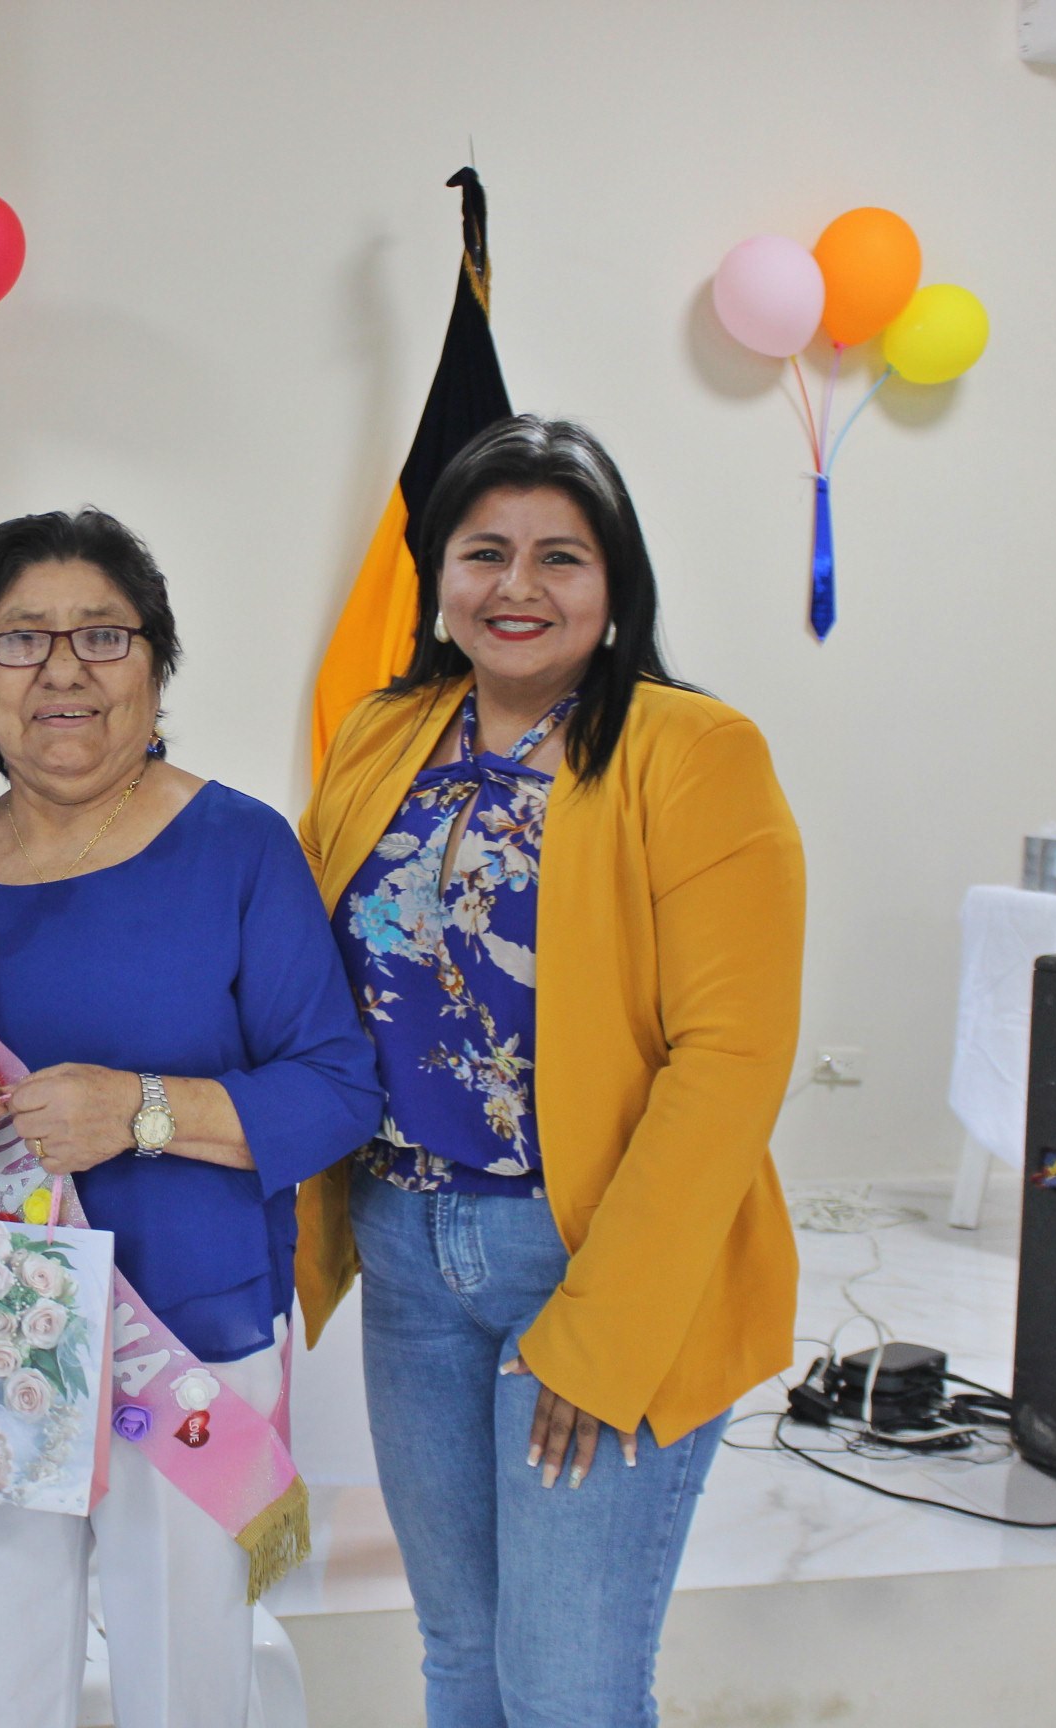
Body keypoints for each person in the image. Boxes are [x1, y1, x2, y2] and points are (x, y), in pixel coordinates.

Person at [297, 415, 806, 1727]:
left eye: (559, 557)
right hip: (407, 1247)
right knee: (461, 1658)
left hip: (588, 1252)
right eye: (485, 552)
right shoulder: (382, 733)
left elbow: (729, 1060)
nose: (516, 587)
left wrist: (608, 1329)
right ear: (439, 575)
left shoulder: (692, 752)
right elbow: (299, 965)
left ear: (616, 584)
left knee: (568, 1688)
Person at [0, 509, 380, 1728]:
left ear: (156, 665)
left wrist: (142, 1111)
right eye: (20, 639)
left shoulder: (240, 848)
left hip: (187, 1337)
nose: (63, 669)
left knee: (186, 1690)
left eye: (102, 635)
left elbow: (337, 1090)